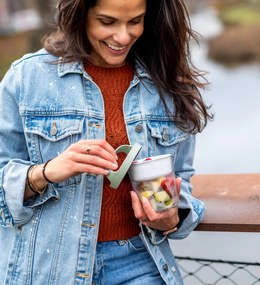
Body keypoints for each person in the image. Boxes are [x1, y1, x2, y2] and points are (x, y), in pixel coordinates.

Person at [0, 0, 212, 284]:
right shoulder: (26, 78)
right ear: (81, 16)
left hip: (140, 263)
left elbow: (181, 181)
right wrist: (47, 172)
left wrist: (172, 218)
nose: (123, 37)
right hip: (47, 268)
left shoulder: (168, 84)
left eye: (135, 21)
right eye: (107, 22)